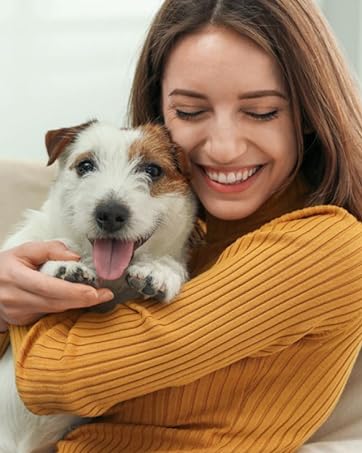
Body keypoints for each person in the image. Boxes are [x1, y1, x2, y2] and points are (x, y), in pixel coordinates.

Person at [1, 0, 362, 451]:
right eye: (191, 112)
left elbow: (54, 378)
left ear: (309, 114)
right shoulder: (191, 233)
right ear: (159, 115)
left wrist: (23, 302)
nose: (225, 148)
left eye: (263, 111)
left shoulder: (325, 245)